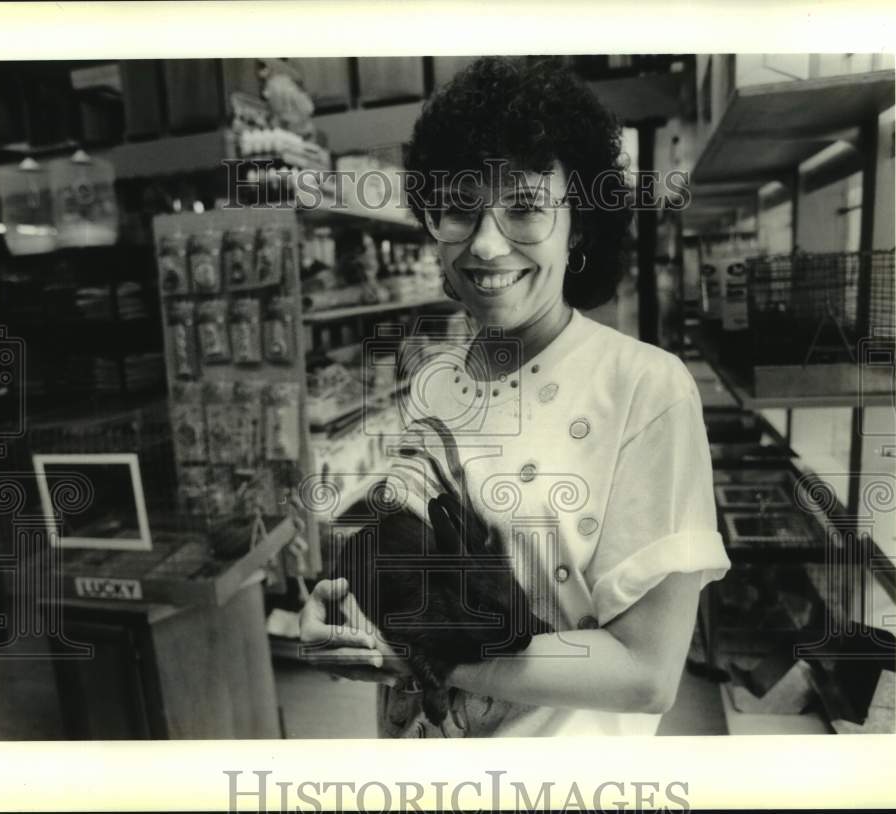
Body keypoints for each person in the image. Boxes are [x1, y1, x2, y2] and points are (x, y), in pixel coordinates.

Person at [299, 56, 730, 737]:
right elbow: (417, 555)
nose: (488, 244)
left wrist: (425, 655)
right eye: (460, 209)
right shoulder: (439, 380)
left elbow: (646, 673)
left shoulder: (646, 389)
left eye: (525, 207)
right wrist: (348, 609)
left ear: (579, 223)